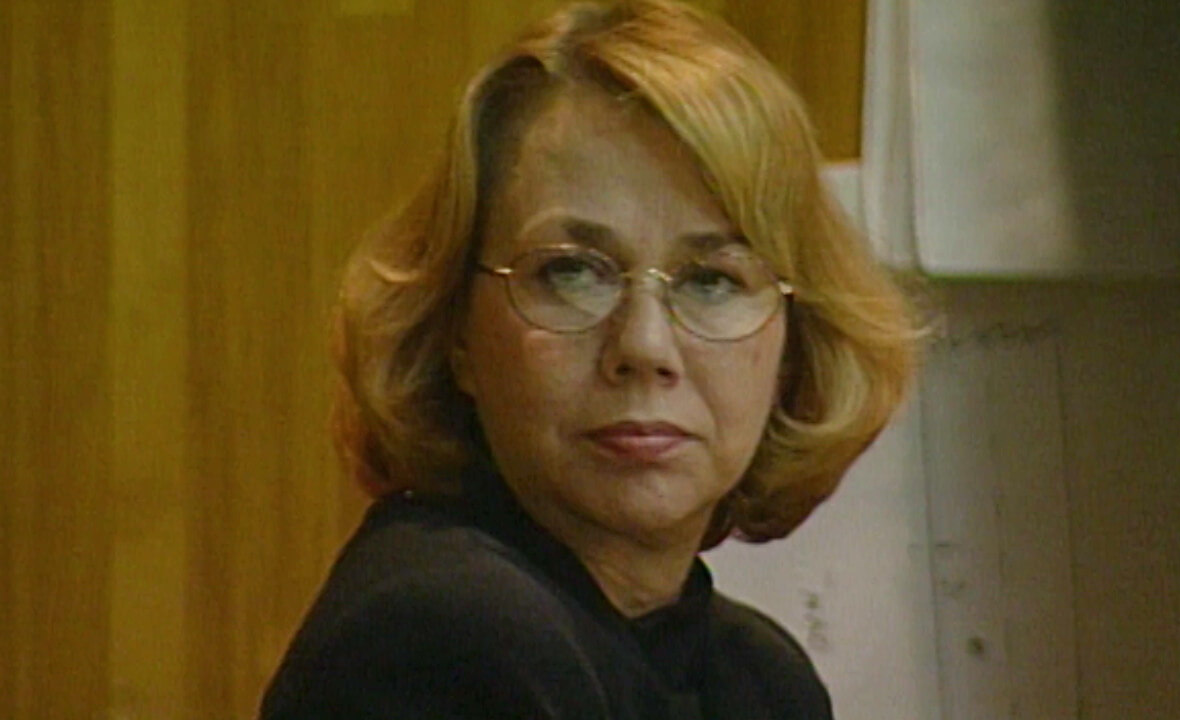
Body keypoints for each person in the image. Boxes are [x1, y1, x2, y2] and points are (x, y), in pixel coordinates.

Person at [260, 1, 915, 717]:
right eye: (572, 273)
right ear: (457, 331)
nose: (644, 347)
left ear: (793, 342)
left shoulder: (758, 678)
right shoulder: (440, 638)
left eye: (711, 281)